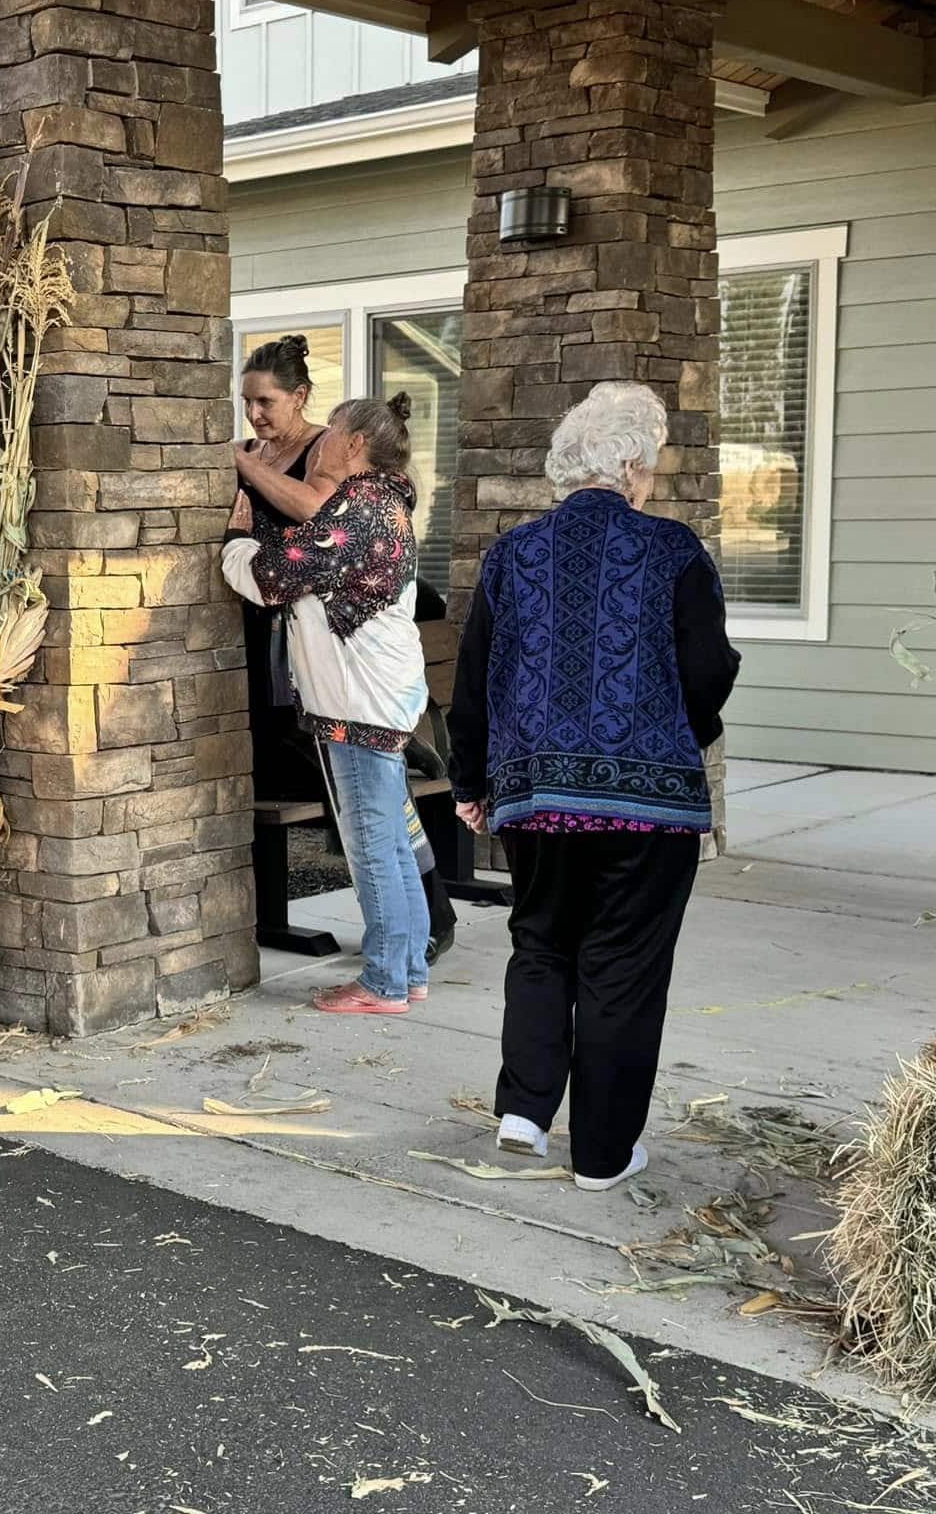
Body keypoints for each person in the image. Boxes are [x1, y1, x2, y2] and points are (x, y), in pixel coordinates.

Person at [446, 381, 741, 1192]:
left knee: (541, 940)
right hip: (646, 812)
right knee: (622, 965)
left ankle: (525, 1111)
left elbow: (474, 684)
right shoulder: (674, 550)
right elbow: (708, 673)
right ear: (634, 465)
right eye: (653, 465)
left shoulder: (511, 555)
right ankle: (604, 1156)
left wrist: (470, 781)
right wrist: (689, 731)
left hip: (537, 799)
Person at [223, 395, 433, 1016]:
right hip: (381, 697)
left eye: (331, 433)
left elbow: (271, 578)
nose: (320, 443)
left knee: (371, 841)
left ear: (354, 444)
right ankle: (408, 967)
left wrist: (236, 540)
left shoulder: (363, 511)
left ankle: (383, 982)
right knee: (391, 838)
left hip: (361, 703)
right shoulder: (379, 504)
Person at [230, 335, 330, 808]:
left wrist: (245, 465)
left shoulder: (325, 447)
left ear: (299, 396)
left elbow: (315, 507)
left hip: (303, 623)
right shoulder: (249, 449)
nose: (255, 413)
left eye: (266, 401)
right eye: (247, 401)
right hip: (250, 615)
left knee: (301, 747)